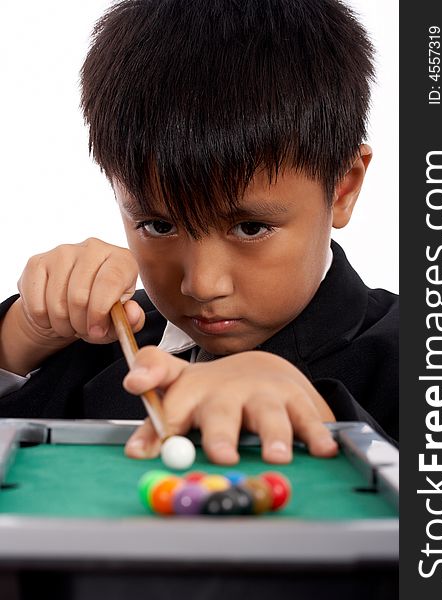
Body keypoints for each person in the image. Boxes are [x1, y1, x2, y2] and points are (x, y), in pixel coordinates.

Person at [0, 0, 398, 465]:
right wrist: (20, 339)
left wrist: (324, 419)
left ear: (343, 189)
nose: (202, 285)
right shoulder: (94, 347)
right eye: (158, 225)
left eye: (250, 227)